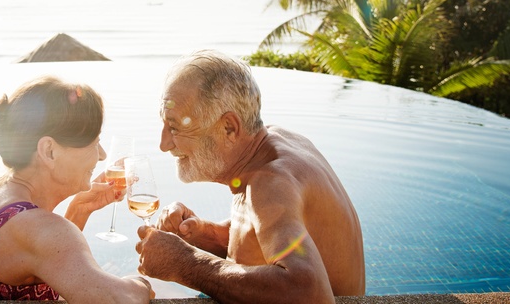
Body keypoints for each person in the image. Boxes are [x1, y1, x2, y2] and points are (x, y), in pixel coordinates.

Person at [135, 50, 365, 304]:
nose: (163, 144)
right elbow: (269, 235)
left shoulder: (270, 182)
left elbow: (310, 294)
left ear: (229, 128)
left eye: (175, 126)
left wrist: (184, 263)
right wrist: (205, 233)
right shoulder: (275, 145)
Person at [0, 75, 152, 303]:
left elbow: (39, 254)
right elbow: (120, 300)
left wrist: (79, 210)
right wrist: (142, 283)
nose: (101, 155)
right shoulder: (39, 229)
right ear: (49, 150)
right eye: (94, 142)